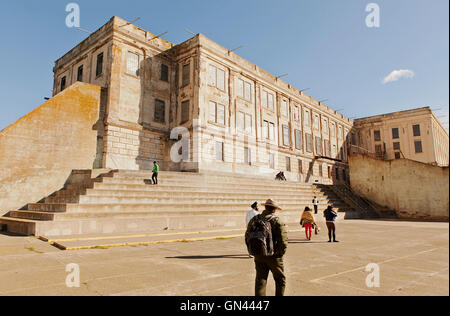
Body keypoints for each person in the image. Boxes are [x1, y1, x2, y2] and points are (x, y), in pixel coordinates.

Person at [246, 199, 288, 296]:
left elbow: (247, 235)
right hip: (274, 256)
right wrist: (280, 253)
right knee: (280, 280)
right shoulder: (276, 220)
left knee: (260, 280)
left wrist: (253, 250)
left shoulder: (255, 219)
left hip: (259, 254)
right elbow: (283, 240)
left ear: (265, 207)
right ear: (274, 209)